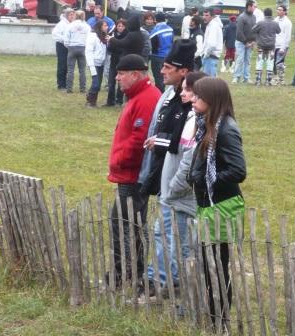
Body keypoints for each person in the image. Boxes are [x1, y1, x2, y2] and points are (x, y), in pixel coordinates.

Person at [137, 39, 197, 291]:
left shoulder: (191, 102)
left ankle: (169, 280)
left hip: (178, 182)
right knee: (161, 230)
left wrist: (161, 142)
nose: (161, 71)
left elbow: (186, 145)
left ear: (183, 71)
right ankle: (158, 276)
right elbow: (157, 129)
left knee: (175, 235)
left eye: (168, 67)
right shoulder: (169, 94)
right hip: (163, 174)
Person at [187, 77, 246, 327]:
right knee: (208, 264)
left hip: (222, 205)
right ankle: (213, 316)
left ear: (211, 100)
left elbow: (238, 170)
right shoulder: (207, 124)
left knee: (218, 266)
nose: (192, 99)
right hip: (208, 205)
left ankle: (219, 321)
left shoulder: (226, 129)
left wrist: (205, 179)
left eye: (197, 97)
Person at [108, 54, 161, 288]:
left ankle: (126, 273)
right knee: (132, 221)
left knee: (125, 222)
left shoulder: (146, 98)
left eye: (121, 73)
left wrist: (119, 160)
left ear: (135, 74)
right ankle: (132, 271)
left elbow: (140, 139)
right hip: (130, 172)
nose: (117, 78)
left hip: (133, 174)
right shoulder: (138, 95)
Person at [64, 10, 91, 93]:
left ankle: (69, 88)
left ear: (75, 16)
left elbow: (66, 38)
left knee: (70, 70)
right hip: (83, 47)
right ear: (83, 16)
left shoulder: (70, 25)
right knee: (82, 70)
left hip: (72, 47)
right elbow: (89, 38)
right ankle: (82, 89)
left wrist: (68, 46)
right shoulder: (87, 26)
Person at [252, 8, 280, 86]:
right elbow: (279, 31)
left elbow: (253, 30)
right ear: (271, 14)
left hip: (261, 45)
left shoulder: (260, 23)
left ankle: (258, 80)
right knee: (270, 63)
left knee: (259, 62)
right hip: (271, 46)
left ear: (264, 14)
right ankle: (268, 80)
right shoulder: (275, 23)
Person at [104, 18, 128, 106]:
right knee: (111, 82)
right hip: (113, 61)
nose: (120, 28)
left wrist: (116, 43)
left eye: (122, 26)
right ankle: (110, 101)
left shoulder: (127, 36)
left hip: (122, 62)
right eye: (119, 26)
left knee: (121, 83)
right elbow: (110, 49)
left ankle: (119, 100)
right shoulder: (112, 35)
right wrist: (110, 42)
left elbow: (124, 47)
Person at [85, 19, 109, 107]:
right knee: (96, 84)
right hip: (94, 63)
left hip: (101, 63)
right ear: (100, 27)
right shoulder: (92, 36)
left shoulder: (104, 37)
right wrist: (91, 65)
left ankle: (93, 101)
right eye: (105, 25)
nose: (107, 27)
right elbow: (89, 51)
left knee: (98, 84)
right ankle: (89, 101)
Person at [232, 0, 256, 84]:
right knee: (240, 59)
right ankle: (236, 77)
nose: (255, 8)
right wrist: (246, 42)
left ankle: (246, 78)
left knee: (247, 60)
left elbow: (254, 30)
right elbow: (239, 32)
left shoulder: (254, 17)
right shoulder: (241, 17)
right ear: (249, 6)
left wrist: (253, 41)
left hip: (250, 43)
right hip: (240, 43)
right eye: (254, 6)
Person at [149, 13, 174, 92]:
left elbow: (153, 46)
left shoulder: (155, 31)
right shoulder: (170, 29)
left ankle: (159, 96)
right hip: (167, 57)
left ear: (155, 20)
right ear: (164, 19)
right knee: (164, 77)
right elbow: (172, 42)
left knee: (158, 78)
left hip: (157, 57)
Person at [52, 8, 75, 91]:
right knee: (62, 64)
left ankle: (66, 83)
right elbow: (55, 34)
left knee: (68, 65)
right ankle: (61, 84)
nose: (72, 16)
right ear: (67, 15)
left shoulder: (73, 24)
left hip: (70, 46)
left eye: (73, 14)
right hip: (61, 46)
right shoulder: (61, 24)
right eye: (70, 15)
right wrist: (65, 39)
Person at [273, 5, 292, 86]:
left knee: (279, 63)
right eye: (278, 10)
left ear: (284, 11)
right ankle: (276, 78)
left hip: (282, 45)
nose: (278, 11)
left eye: (280, 10)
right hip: (274, 44)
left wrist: (283, 48)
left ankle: (281, 79)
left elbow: (287, 36)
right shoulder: (275, 20)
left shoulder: (287, 22)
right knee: (273, 63)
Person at [201, 8, 223, 77]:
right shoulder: (211, 24)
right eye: (203, 15)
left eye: (207, 15)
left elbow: (212, 44)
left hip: (210, 57)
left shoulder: (213, 26)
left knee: (208, 83)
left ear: (212, 16)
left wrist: (206, 54)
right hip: (210, 57)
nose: (204, 17)